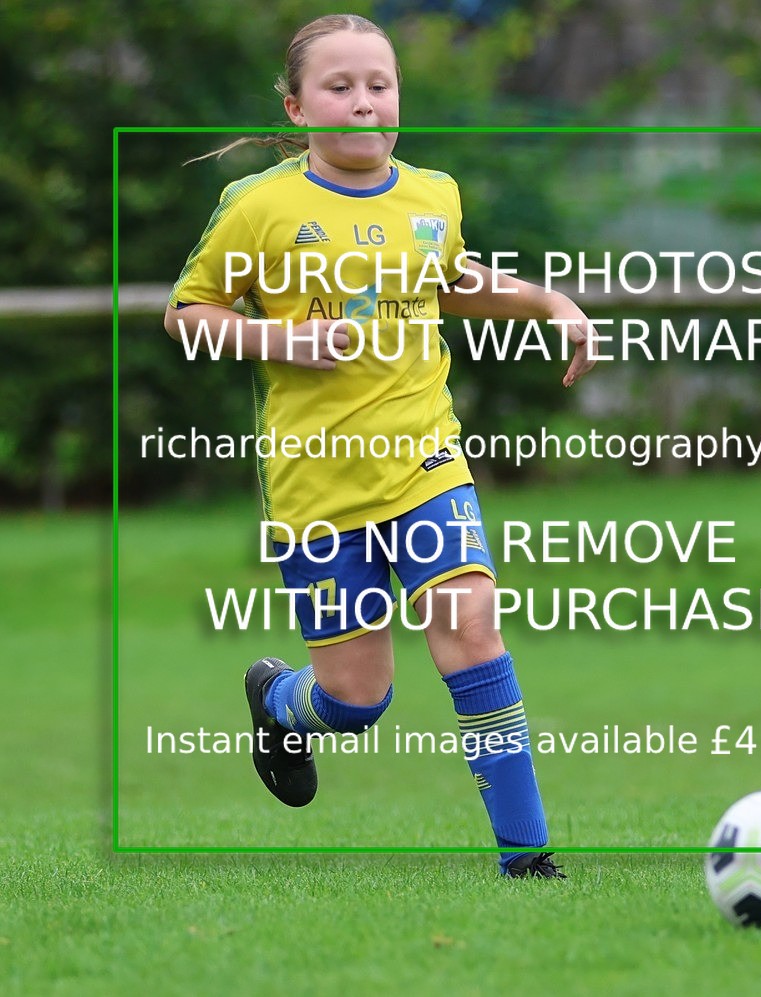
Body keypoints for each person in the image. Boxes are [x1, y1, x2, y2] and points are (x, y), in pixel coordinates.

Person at [164, 13, 596, 878]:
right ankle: (278, 700)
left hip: (425, 458)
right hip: (316, 483)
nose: (364, 102)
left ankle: (528, 859)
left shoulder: (434, 194)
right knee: (356, 700)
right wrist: (278, 339)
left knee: (471, 628)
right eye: (340, 87)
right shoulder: (260, 206)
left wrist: (547, 302)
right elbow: (187, 314)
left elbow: (449, 278)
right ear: (296, 107)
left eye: (380, 84)